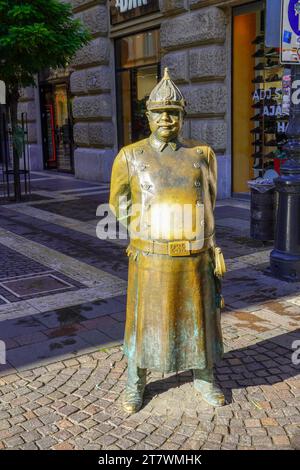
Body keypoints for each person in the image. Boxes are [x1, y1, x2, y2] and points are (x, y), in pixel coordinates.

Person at [109, 68, 226, 414]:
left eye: (173, 113)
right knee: (145, 322)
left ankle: (204, 376)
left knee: (200, 319)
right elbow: (118, 202)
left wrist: (212, 244)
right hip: (151, 258)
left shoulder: (201, 154)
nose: (166, 119)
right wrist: (144, 231)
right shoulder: (131, 156)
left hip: (194, 255)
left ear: (182, 116)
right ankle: (136, 380)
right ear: (148, 116)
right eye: (159, 112)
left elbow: (209, 199)